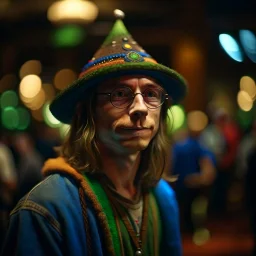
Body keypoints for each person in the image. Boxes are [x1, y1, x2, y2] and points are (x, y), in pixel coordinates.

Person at [1, 9, 187, 256]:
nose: (141, 108)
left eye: (151, 94)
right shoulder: (46, 209)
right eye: (120, 94)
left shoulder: (163, 198)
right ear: (86, 113)